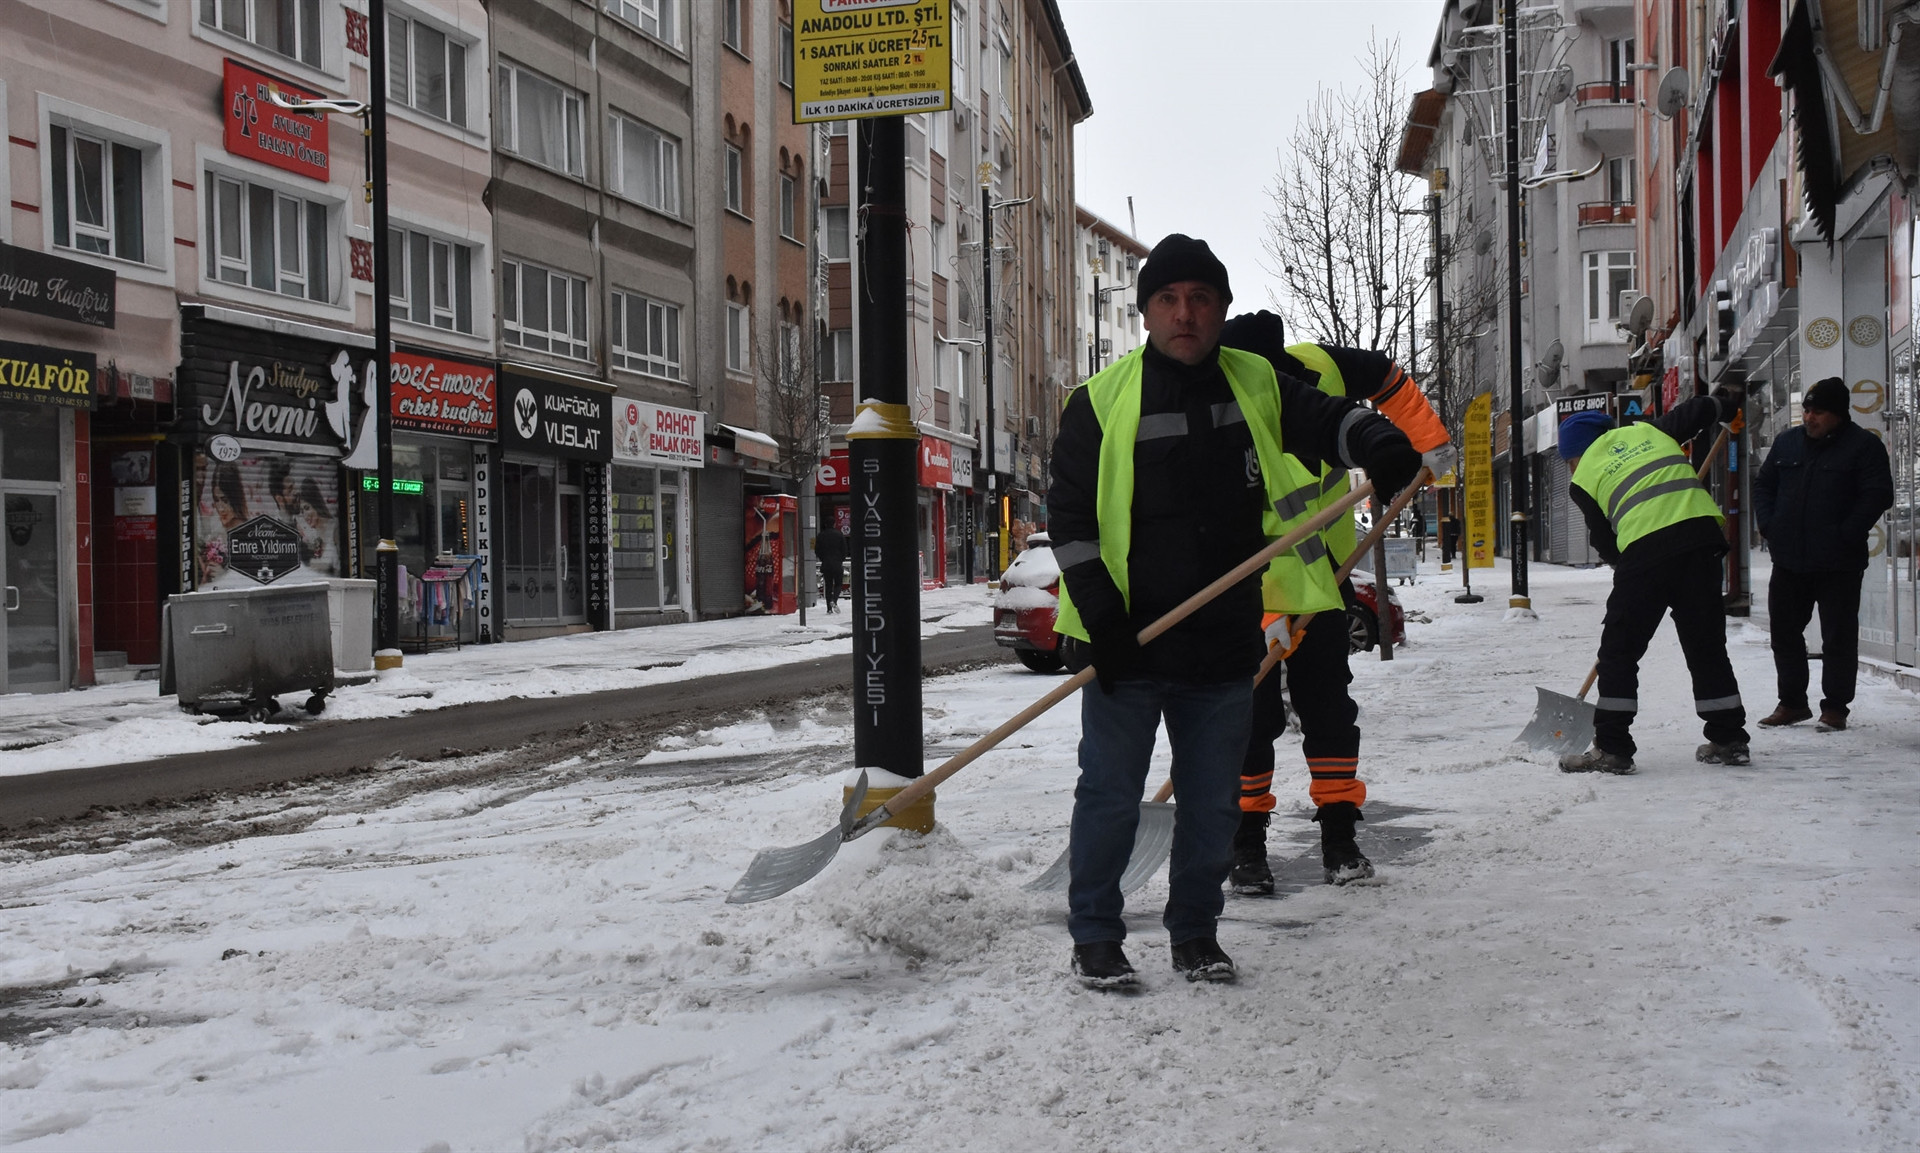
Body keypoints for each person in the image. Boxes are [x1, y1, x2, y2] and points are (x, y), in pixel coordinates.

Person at [1048, 234, 1420, 989]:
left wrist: (1378, 438)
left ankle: (1196, 933)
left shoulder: (1256, 382)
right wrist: (1103, 619)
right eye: (1168, 299)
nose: (1185, 313)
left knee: (1214, 803)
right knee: (1111, 796)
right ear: (1148, 310)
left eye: (1201, 298)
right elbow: (1073, 524)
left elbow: (1326, 419)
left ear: (1218, 307)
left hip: (1220, 641)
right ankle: (1096, 935)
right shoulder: (1099, 402)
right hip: (1127, 641)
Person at [1216, 312, 1452, 894]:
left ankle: (1340, 840)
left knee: (1328, 712)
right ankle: (1247, 847)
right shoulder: (1217, 404)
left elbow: (1387, 379)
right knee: (1249, 720)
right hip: (1249, 594)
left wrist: (1429, 444)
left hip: (1323, 580)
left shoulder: (1321, 370)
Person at [1555, 388, 1749, 775]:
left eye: (1568, 460)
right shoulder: (1651, 431)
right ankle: (1729, 740)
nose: (1572, 469)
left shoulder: (1584, 479)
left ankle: (1611, 748)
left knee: (1619, 653)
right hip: (1701, 543)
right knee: (1706, 645)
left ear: (1577, 452)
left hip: (1646, 552)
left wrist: (1624, 568)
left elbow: (1603, 540)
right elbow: (1699, 409)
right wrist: (1729, 408)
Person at [1752, 377, 1895, 732]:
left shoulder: (1863, 447)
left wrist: (1847, 533)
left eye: (1818, 411)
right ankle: (1792, 703)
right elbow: (1764, 485)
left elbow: (1878, 494)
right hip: (1789, 559)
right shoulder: (1787, 443)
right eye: (1807, 409)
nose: (1810, 417)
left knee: (1837, 637)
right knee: (1784, 634)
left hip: (1838, 562)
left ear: (1839, 414)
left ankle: (1835, 708)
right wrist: (1769, 524)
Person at [814, 521, 848, 614]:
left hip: (826, 564)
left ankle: (829, 608)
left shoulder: (821, 535)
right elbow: (844, 549)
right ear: (834, 524)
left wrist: (823, 558)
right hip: (837, 563)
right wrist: (841, 559)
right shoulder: (839, 535)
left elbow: (817, 550)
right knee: (838, 584)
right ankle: (834, 600)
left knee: (828, 585)